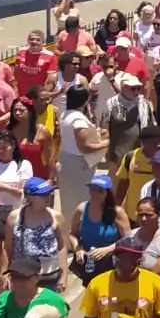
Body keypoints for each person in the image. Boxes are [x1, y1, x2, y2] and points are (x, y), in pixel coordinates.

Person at [0, 130, 34, 291]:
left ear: (13, 147)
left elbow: (24, 192)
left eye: (4, 147)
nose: (0, 151)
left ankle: (13, 285)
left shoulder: (23, 165)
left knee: (13, 252)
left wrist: (2, 187)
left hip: (16, 213)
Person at [5, 178, 68, 292]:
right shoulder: (14, 217)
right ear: (29, 197)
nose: (48, 197)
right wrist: (4, 273)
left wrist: (64, 275)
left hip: (50, 276)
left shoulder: (56, 216)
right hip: (23, 277)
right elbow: (8, 248)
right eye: (43, 195)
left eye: (49, 193)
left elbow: (62, 247)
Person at [69, 173, 130, 285]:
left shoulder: (117, 212)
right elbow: (73, 234)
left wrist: (107, 249)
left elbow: (128, 240)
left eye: (100, 191)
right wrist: (78, 249)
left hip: (110, 264)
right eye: (93, 190)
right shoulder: (81, 209)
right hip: (88, 264)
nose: (95, 194)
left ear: (107, 193)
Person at [57, 86, 108, 219]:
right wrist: (105, 143)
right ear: (85, 100)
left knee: (68, 201)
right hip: (78, 165)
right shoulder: (78, 120)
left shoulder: (65, 114)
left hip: (66, 160)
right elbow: (84, 147)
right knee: (79, 200)